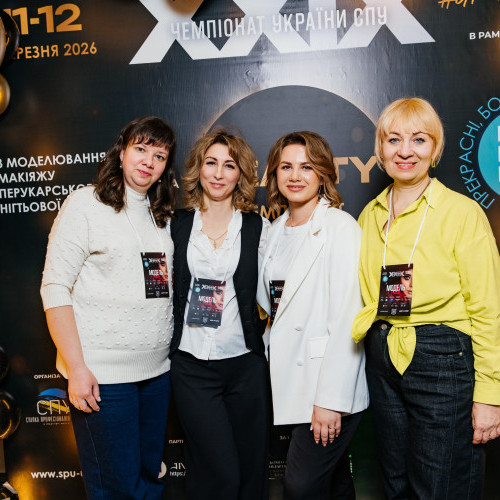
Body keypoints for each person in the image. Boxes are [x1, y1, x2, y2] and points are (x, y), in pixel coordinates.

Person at [352, 97, 500, 499]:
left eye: (419, 139)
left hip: (443, 356)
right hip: (383, 353)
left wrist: (490, 395)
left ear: (435, 149)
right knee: (396, 483)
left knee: (441, 487)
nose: (405, 151)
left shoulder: (462, 213)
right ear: (381, 150)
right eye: (394, 140)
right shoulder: (369, 216)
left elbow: (488, 310)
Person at [40, 116, 177, 500]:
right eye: (141, 149)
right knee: (117, 489)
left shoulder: (160, 214)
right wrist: (77, 368)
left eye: (159, 155)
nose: (148, 161)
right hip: (102, 377)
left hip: (156, 373)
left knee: (150, 480)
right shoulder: (85, 204)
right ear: (121, 152)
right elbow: (55, 287)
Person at [257, 131, 369, 499]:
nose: (295, 176)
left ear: (322, 174)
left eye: (306, 167)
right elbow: (273, 308)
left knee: (301, 485)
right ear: (274, 174)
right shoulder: (273, 232)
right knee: (333, 483)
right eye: (286, 167)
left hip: (327, 387)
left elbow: (348, 320)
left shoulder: (340, 227)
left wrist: (330, 401)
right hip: (290, 381)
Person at [169, 129, 270, 500]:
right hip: (191, 366)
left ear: (240, 174)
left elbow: (277, 293)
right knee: (217, 474)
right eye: (210, 163)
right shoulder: (176, 224)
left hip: (245, 366)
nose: (218, 173)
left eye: (229, 165)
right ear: (198, 168)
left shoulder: (258, 228)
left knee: (251, 471)